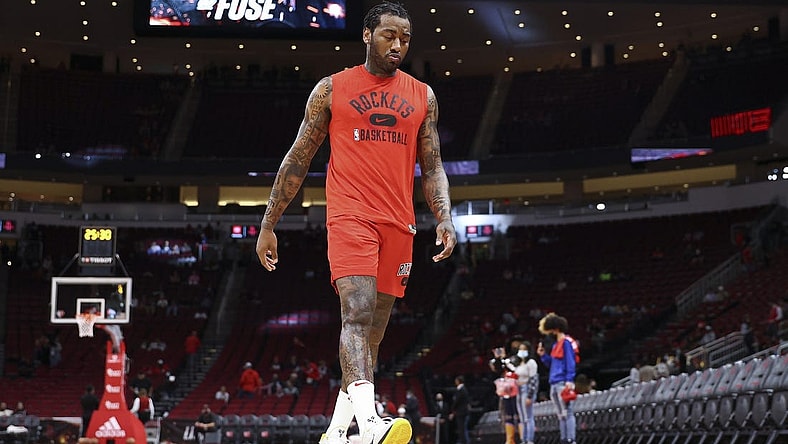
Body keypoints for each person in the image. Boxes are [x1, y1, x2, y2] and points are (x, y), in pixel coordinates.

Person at [255, 2, 456, 444]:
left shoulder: (423, 95)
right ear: (367, 35)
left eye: (405, 38)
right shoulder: (331, 89)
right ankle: (370, 423)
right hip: (350, 216)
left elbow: (434, 164)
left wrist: (444, 216)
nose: (398, 45)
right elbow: (298, 157)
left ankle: (334, 433)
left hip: (400, 223)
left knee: (373, 335)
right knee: (357, 314)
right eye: (389, 35)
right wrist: (269, 222)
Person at [537, 313, 578, 444]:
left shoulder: (566, 343)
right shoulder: (556, 345)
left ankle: (571, 439)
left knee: (567, 412)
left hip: (561, 382)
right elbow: (552, 364)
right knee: (561, 414)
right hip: (554, 382)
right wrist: (543, 356)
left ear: (555, 328)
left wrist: (569, 380)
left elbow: (570, 362)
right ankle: (564, 438)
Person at [513, 342, 538, 444]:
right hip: (518, 389)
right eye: (520, 349)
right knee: (522, 417)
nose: (522, 351)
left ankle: (529, 440)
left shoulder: (531, 362)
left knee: (528, 416)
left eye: (524, 349)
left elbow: (534, 380)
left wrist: (530, 396)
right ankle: (524, 439)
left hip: (526, 389)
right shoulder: (519, 364)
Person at [449, 376, 470, 444]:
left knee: (462, 429)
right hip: (462, 412)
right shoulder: (463, 389)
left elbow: (457, 401)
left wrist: (452, 409)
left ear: (458, 381)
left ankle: (463, 442)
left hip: (461, 412)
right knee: (463, 429)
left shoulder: (461, 390)